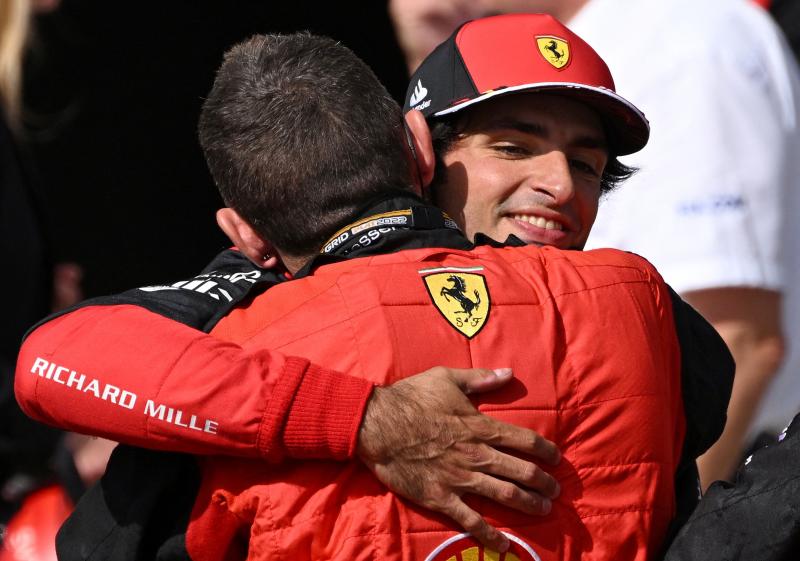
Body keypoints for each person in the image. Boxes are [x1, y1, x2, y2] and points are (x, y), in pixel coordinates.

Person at [15, 14, 732, 559]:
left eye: (587, 165)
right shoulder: (267, 284)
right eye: (512, 147)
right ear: (420, 150)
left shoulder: (633, 306)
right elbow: (63, 356)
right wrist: (362, 414)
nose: (557, 186)